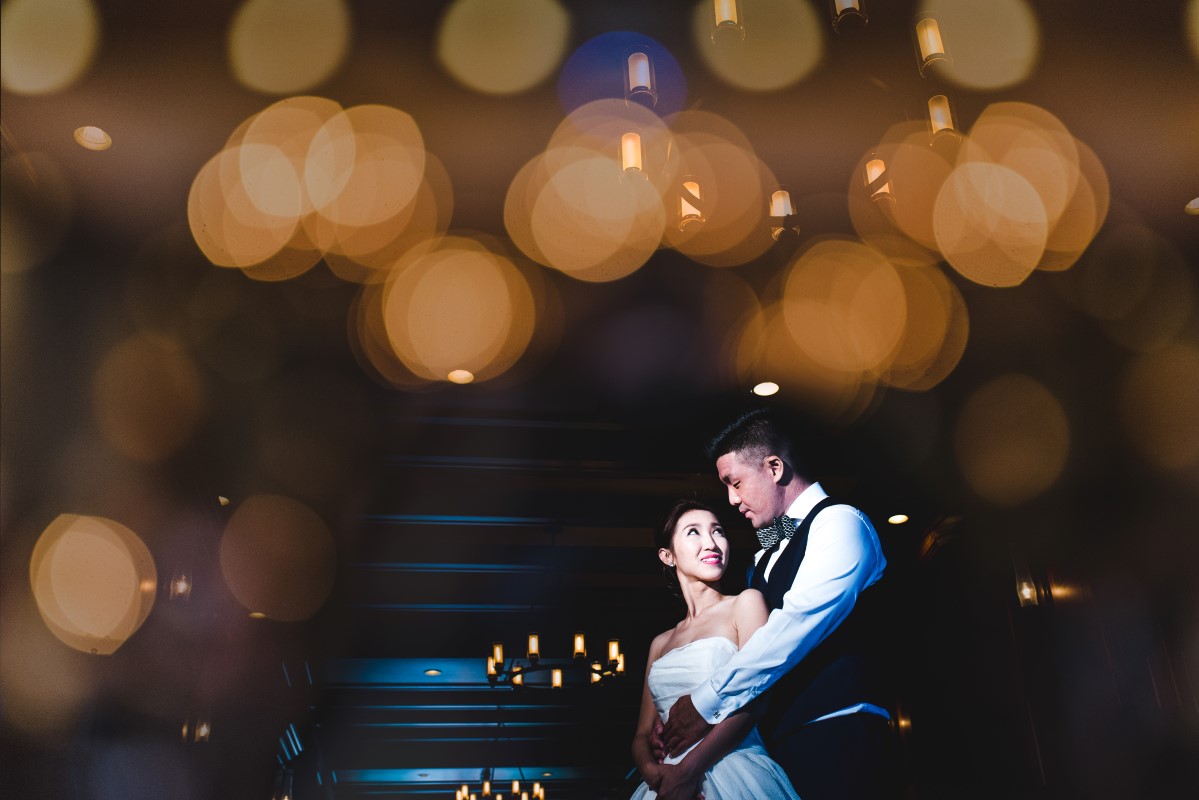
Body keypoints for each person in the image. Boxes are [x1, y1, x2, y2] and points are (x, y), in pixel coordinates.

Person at [656, 409, 894, 800]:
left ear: (774, 467)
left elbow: (793, 627)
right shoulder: (762, 557)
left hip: (838, 734)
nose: (731, 500)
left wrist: (704, 702)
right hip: (774, 752)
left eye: (735, 483)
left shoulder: (840, 523)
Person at [630, 499, 799, 800]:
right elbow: (642, 734)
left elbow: (756, 700)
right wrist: (655, 775)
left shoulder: (745, 603)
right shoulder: (660, 643)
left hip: (734, 771)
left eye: (718, 531)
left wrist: (688, 772)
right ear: (667, 556)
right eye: (693, 532)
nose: (711, 543)